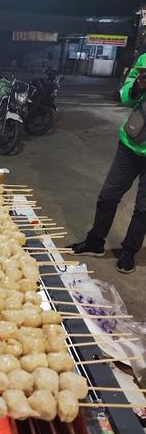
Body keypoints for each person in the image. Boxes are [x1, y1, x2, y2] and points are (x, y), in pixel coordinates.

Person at [68, 54, 146, 274]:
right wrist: (138, 88)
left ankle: (129, 251)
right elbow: (125, 97)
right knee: (108, 196)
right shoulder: (143, 60)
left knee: (143, 208)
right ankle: (95, 241)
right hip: (129, 145)